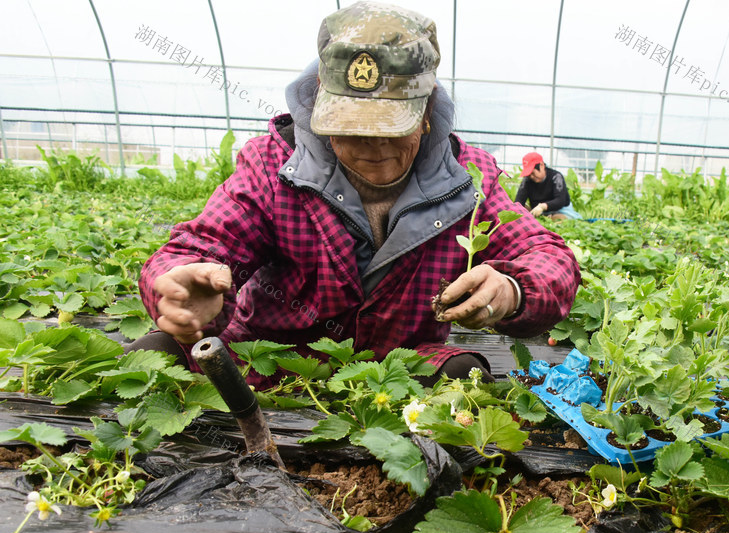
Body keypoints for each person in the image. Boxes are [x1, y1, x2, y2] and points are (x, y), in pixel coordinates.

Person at [132, 2, 580, 388]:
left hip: (393, 374)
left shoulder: (469, 178)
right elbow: (198, 248)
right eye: (352, 130)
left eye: (391, 128)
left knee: (461, 374)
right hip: (272, 364)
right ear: (320, 112)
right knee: (159, 351)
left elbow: (548, 256)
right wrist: (178, 284)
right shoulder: (274, 166)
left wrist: (511, 290)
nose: (374, 147)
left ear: (426, 113)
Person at [514, 152, 579, 220]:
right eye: (529, 174)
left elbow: (560, 200)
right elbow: (519, 201)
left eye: (533, 173)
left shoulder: (556, 177)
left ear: (541, 165)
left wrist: (543, 206)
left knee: (558, 218)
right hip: (537, 212)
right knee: (520, 209)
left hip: (560, 210)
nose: (532, 176)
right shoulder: (527, 180)